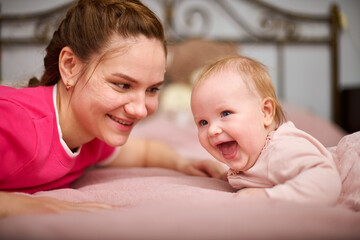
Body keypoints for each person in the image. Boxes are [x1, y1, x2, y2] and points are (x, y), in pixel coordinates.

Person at [0, 0, 225, 217]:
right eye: (122, 85)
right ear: (70, 66)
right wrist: (15, 205)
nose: (140, 111)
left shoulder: (90, 133)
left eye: (152, 90)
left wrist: (183, 164)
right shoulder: (15, 122)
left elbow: (144, 152)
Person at [190, 56, 342, 205]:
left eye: (225, 113)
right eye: (203, 122)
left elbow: (328, 180)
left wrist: (268, 196)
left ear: (266, 112)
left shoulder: (280, 150)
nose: (212, 130)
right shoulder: (254, 158)